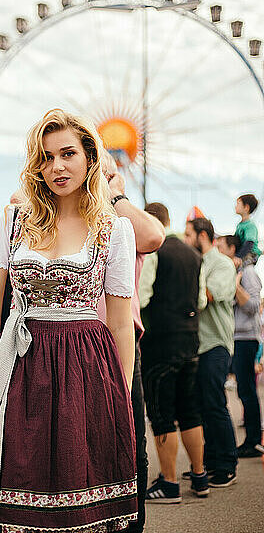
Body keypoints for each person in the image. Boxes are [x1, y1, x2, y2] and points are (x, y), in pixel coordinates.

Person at [0, 109, 138, 533]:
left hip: (86, 369)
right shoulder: (14, 221)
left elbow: (121, 323)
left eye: (68, 153)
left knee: (80, 493)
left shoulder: (115, 230)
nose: (57, 166)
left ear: (90, 157)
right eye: (47, 157)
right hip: (17, 364)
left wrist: (120, 396)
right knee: (16, 486)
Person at [100, 151, 165, 533]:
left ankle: (130, 525)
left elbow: (154, 235)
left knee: (128, 441)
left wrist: (116, 194)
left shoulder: (123, 218)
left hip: (121, 339)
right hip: (74, 336)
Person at [138, 203, 208, 503]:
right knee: (190, 411)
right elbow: (202, 299)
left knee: (162, 412)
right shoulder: (193, 254)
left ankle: (168, 482)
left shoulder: (154, 249)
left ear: (151, 221)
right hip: (190, 339)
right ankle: (200, 475)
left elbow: (141, 296)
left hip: (160, 341)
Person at [184, 218, 238, 487]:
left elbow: (208, 295)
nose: (185, 239)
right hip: (198, 345)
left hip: (216, 344)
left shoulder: (222, 264)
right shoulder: (198, 262)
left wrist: (179, 289)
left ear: (202, 235)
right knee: (202, 405)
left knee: (215, 404)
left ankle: (227, 463)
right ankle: (211, 460)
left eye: (188, 234)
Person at [217, 235, 264, 457]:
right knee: (244, 391)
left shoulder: (249, 274)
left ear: (233, 249)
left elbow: (255, 306)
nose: (219, 251)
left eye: (222, 248)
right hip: (237, 339)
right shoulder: (233, 272)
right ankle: (251, 439)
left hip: (247, 339)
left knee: (248, 392)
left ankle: (254, 441)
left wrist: (236, 286)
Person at [234, 194, 261, 266]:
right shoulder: (240, 225)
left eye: (238, 204)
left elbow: (249, 243)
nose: (235, 206)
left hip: (251, 254)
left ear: (246, 207)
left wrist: (238, 256)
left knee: (240, 267)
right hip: (242, 252)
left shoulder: (250, 225)